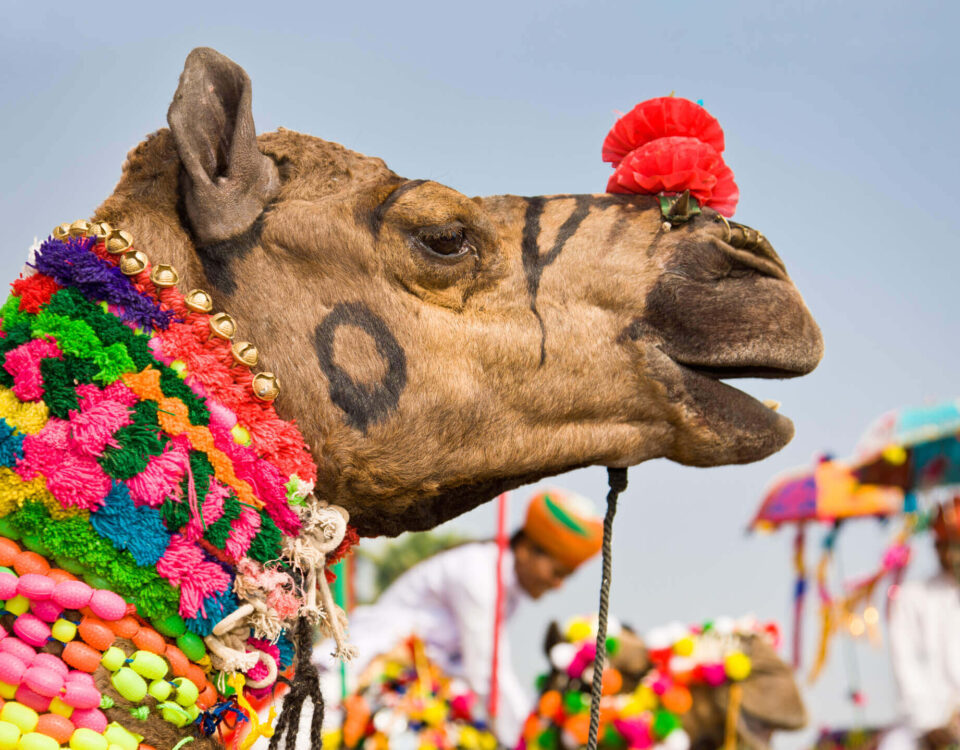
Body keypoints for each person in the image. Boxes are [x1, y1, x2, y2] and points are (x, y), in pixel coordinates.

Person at [319, 488, 604, 746]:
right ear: (528, 549)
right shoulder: (480, 573)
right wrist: (530, 739)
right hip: (362, 673)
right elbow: (487, 673)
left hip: (422, 689)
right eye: (558, 573)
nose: (558, 586)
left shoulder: (506, 588)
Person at [884, 497, 960, 750]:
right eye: (946, 545)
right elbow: (906, 668)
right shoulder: (912, 597)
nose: (952, 554)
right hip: (924, 730)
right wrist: (931, 725)